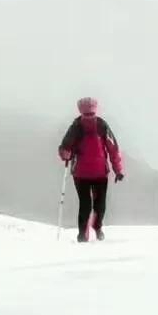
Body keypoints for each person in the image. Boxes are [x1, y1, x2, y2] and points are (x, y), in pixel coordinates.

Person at [58, 97, 125, 242]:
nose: (89, 117)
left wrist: (118, 170)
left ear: (95, 111)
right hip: (82, 174)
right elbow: (64, 147)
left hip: (98, 173)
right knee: (86, 205)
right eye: (86, 114)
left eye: (91, 114)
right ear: (81, 112)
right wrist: (65, 153)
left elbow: (113, 148)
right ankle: (83, 234)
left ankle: (96, 227)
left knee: (99, 206)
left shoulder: (101, 126)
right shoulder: (76, 127)